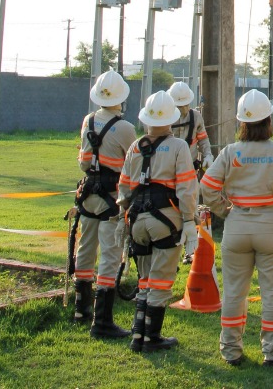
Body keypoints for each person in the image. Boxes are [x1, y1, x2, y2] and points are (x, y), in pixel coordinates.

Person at [201, 89, 273, 367]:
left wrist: (225, 211)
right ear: (268, 120)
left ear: (241, 122)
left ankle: (231, 350)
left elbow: (208, 187)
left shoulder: (230, 152)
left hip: (237, 228)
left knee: (234, 292)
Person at [116, 90, 199, 353]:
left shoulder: (135, 146)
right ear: (171, 119)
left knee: (145, 280)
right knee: (161, 282)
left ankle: (138, 334)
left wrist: (123, 218)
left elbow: (125, 187)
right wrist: (189, 221)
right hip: (166, 221)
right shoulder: (178, 147)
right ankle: (152, 338)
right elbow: (186, 188)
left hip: (137, 220)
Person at [73, 70, 137, 338]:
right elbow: (134, 163)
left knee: (85, 249)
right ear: (121, 98)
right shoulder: (125, 128)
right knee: (110, 255)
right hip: (113, 197)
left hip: (88, 194)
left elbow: (84, 162)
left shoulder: (88, 121)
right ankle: (102, 322)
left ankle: (81, 309)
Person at [167, 81, 213, 263]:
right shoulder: (165, 117)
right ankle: (171, 247)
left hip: (189, 171)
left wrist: (208, 155)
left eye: (184, 104)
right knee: (169, 209)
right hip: (167, 174)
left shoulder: (196, 117)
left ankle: (190, 251)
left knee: (191, 209)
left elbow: (203, 140)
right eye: (178, 105)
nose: (182, 108)